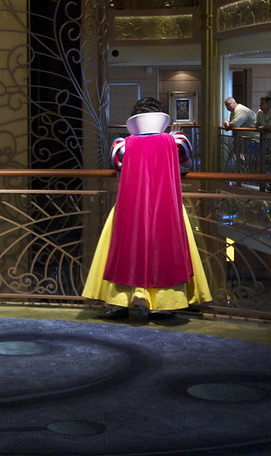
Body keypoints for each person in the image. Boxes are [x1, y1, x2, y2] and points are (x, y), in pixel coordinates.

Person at [83, 97, 211, 321]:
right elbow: (187, 159)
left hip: (130, 206)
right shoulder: (177, 141)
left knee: (125, 249)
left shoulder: (122, 145)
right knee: (166, 248)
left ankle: (121, 301)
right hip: (167, 207)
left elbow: (116, 163)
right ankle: (164, 303)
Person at [223, 96, 259, 166]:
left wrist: (228, 124)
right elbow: (230, 122)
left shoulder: (240, 110)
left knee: (249, 164)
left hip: (252, 140)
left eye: (229, 104)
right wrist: (228, 124)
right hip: (244, 140)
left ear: (234, 102)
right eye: (226, 105)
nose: (227, 107)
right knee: (241, 161)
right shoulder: (233, 111)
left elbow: (234, 124)